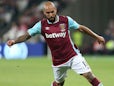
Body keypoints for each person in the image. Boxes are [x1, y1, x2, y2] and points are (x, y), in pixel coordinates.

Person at [7, 1, 105, 86]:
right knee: (59, 83)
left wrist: (96, 37)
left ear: (56, 10)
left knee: (88, 75)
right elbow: (27, 35)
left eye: (52, 12)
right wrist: (14, 41)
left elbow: (81, 28)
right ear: (44, 13)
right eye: (48, 13)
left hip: (73, 56)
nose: (50, 14)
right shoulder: (41, 25)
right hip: (58, 61)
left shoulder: (66, 20)